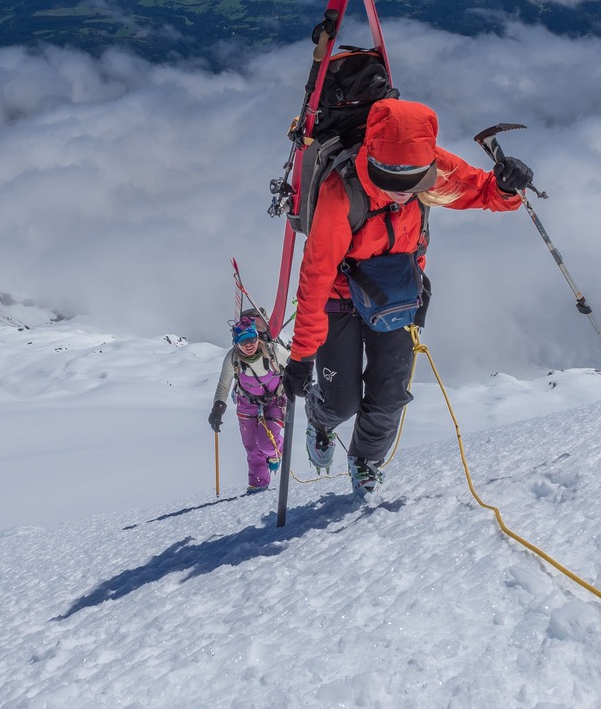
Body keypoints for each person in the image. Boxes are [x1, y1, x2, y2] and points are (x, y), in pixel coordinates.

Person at [281, 98, 531, 494]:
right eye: (392, 183)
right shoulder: (341, 192)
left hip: (394, 297)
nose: (401, 194)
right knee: (341, 401)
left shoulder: (430, 164)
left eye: (412, 185)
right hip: (339, 298)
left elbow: (481, 191)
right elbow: (315, 277)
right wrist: (301, 355)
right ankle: (322, 418)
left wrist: (506, 185)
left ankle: (365, 460)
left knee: (390, 394)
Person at [208, 312, 288, 494]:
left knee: (267, 444)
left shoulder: (274, 351)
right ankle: (258, 485)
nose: (249, 345)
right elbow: (224, 384)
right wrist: (217, 409)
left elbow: (295, 365)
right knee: (252, 447)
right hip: (246, 403)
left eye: (251, 338)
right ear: (236, 342)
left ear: (257, 336)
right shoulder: (232, 359)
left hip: (275, 400)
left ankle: (275, 454)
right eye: (243, 341)